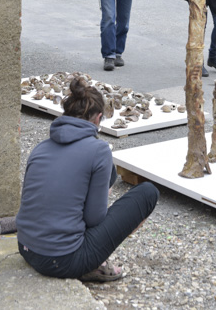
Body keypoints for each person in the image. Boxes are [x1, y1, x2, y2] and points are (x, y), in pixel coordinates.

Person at [16, 77, 159, 282]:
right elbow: (94, 218)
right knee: (147, 193)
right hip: (62, 260)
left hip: (26, 248)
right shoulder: (99, 150)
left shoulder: (40, 148)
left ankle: (90, 257)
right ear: (98, 118)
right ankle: (95, 262)